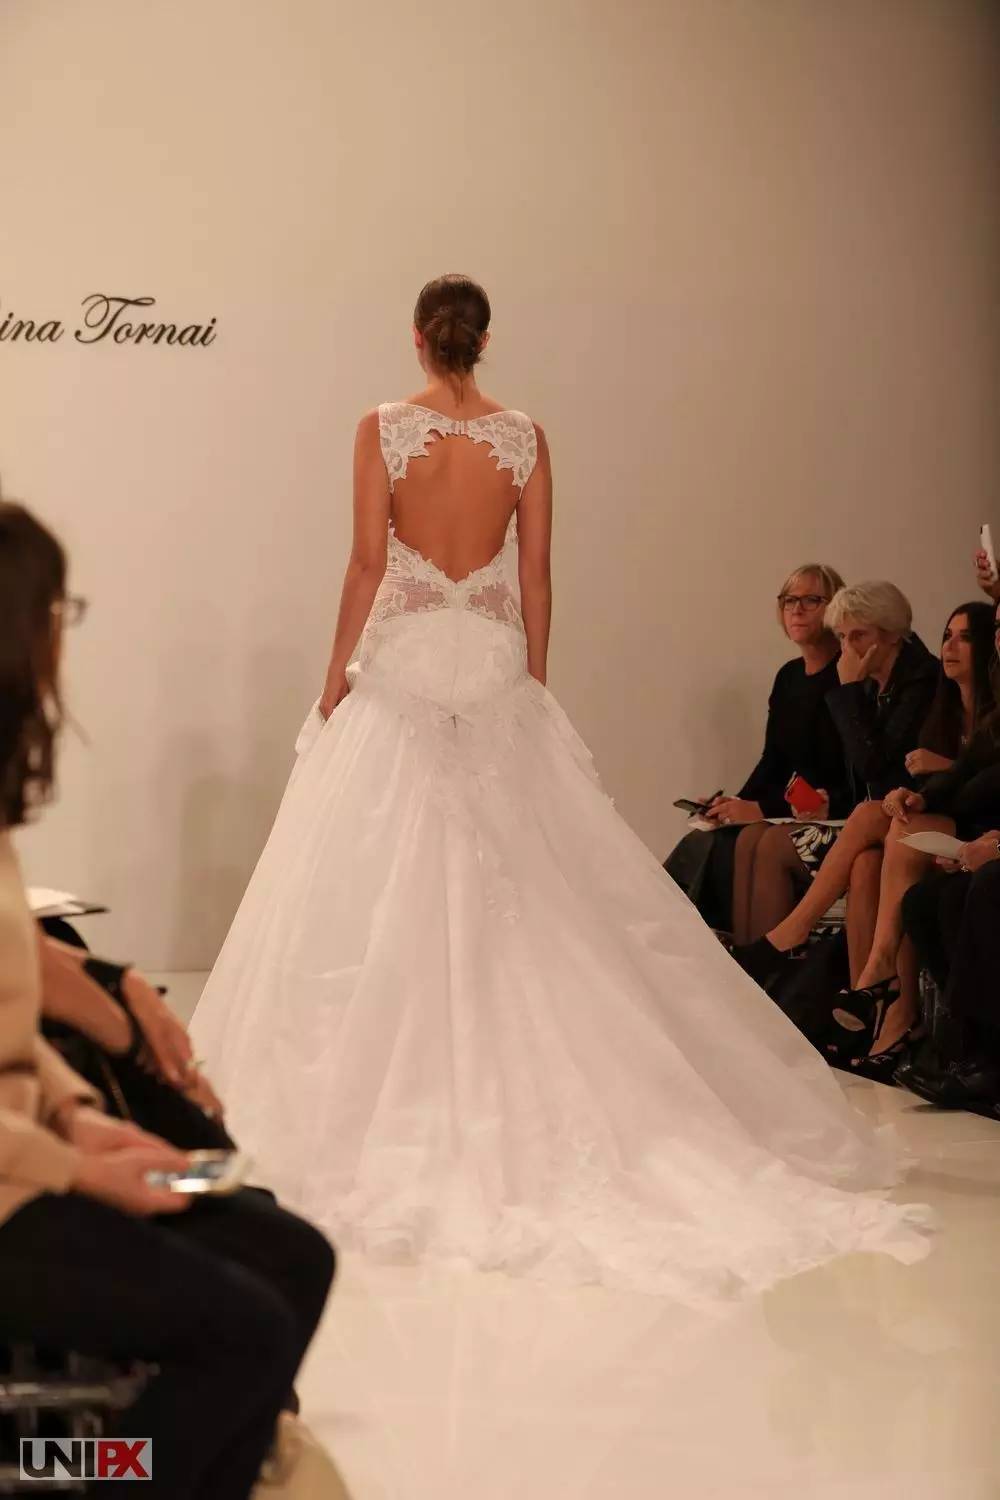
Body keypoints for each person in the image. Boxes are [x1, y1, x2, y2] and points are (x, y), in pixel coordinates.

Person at [191, 272, 932, 1300]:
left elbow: (366, 564)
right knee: (530, 884)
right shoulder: (524, 438)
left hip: (405, 666)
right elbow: (535, 575)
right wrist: (533, 684)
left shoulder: (382, 428)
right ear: (483, 339)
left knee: (379, 867)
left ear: (418, 338)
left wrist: (331, 688)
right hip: (492, 669)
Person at [0, 501, 335, 1500]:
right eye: (60, 613)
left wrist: (82, 1119)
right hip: (14, 1189)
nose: (64, 640)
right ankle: (105, 1476)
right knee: (242, 1329)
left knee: (292, 1256)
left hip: (30, 1158)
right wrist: (80, 1166)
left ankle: (115, 1471)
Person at [730, 581, 940, 951]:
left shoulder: (920, 681)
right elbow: (856, 776)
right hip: (863, 815)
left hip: (905, 814)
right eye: (842, 637)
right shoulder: (871, 681)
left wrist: (847, 693)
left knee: (776, 845)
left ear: (892, 634)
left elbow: (876, 768)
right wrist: (828, 803)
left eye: (859, 636)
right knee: (750, 837)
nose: (848, 649)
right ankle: (754, 961)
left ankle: (776, 952)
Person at [664, 562, 847, 932]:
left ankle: (750, 952)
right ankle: (701, 944)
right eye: (789, 600)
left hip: (828, 808)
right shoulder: (789, 676)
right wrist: (732, 806)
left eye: (811, 600)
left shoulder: (848, 677)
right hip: (786, 809)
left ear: (836, 607)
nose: (797, 609)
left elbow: (841, 771)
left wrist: (760, 808)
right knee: (701, 842)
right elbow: (774, 759)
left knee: (742, 842)